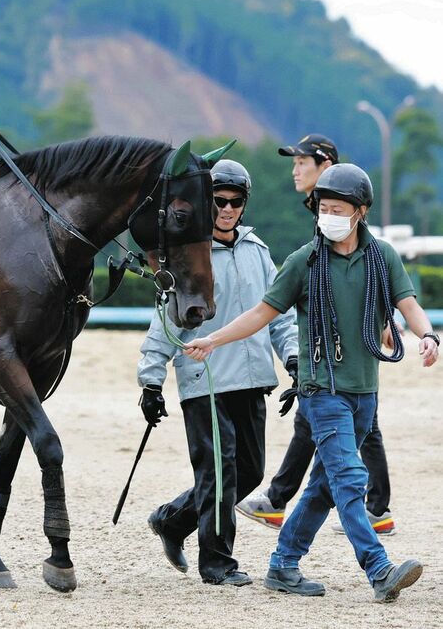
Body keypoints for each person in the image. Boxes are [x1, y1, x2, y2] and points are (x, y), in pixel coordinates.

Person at [184, 164, 438, 601]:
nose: (327, 216)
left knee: (323, 485)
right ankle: (378, 569)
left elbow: (407, 303)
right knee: (348, 477)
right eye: (322, 209)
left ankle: (283, 565)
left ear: (360, 212)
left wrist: (427, 335)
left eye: (337, 209)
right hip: (322, 390)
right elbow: (262, 314)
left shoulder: (383, 257)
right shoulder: (303, 262)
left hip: (364, 392)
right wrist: (213, 338)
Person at [137, 160, 299, 586]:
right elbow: (166, 320)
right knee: (220, 471)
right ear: (206, 203)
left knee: (250, 471)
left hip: (252, 379)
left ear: (245, 204)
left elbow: (278, 316)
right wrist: (150, 381)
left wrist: (295, 360)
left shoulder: (259, 252)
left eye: (235, 201)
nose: (227, 208)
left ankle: (172, 521)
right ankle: (217, 563)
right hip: (203, 378)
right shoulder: (191, 252)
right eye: (219, 200)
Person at [237, 134, 398, 536]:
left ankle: (376, 507)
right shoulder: (323, 209)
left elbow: (367, 269)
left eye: (300, 162)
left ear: (324, 164)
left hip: (349, 350)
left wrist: (381, 323)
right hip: (325, 356)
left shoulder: (342, 210)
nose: (294, 170)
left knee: (361, 421)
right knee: (315, 416)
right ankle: (279, 499)